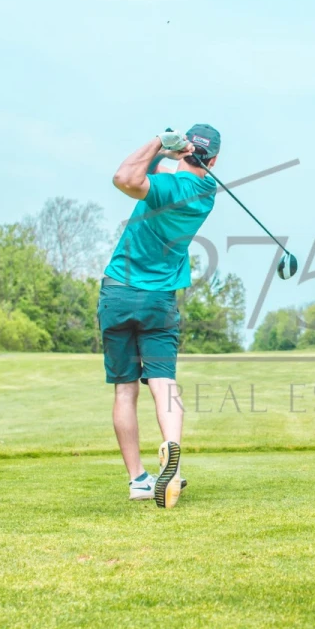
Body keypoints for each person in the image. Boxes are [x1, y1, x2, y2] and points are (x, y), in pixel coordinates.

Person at [100, 125, 221, 508]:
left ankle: (138, 479)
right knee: (164, 383)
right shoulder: (206, 196)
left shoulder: (166, 187)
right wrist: (171, 156)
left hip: (119, 292)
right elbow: (148, 178)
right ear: (213, 160)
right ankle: (173, 458)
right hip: (159, 302)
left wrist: (159, 143)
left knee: (125, 389)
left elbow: (125, 177)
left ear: (184, 151)